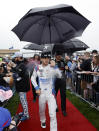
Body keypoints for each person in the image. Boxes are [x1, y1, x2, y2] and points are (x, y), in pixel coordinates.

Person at [31, 52, 62, 131]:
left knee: (52, 114)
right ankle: (43, 120)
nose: (46, 60)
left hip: (51, 94)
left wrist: (55, 67)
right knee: (42, 110)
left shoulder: (52, 66)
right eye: (44, 58)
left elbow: (59, 75)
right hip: (41, 93)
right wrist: (36, 87)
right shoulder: (37, 68)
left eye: (48, 58)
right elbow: (32, 78)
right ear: (41, 59)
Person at [14, 52, 30, 121]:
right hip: (22, 85)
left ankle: (26, 115)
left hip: (22, 86)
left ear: (18, 57)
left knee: (23, 101)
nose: (14, 58)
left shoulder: (22, 65)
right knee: (23, 100)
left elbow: (19, 76)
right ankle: (24, 112)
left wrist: (14, 76)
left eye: (15, 57)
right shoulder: (21, 64)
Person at [55, 51, 67, 116]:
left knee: (63, 95)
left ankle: (64, 110)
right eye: (58, 55)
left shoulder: (63, 62)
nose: (59, 56)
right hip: (55, 81)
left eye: (60, 55)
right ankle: (55, 106)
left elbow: (67, 69)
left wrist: (67, 68)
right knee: (54, 95)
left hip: (62, 81)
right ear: (55, 56)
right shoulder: (52, 62)